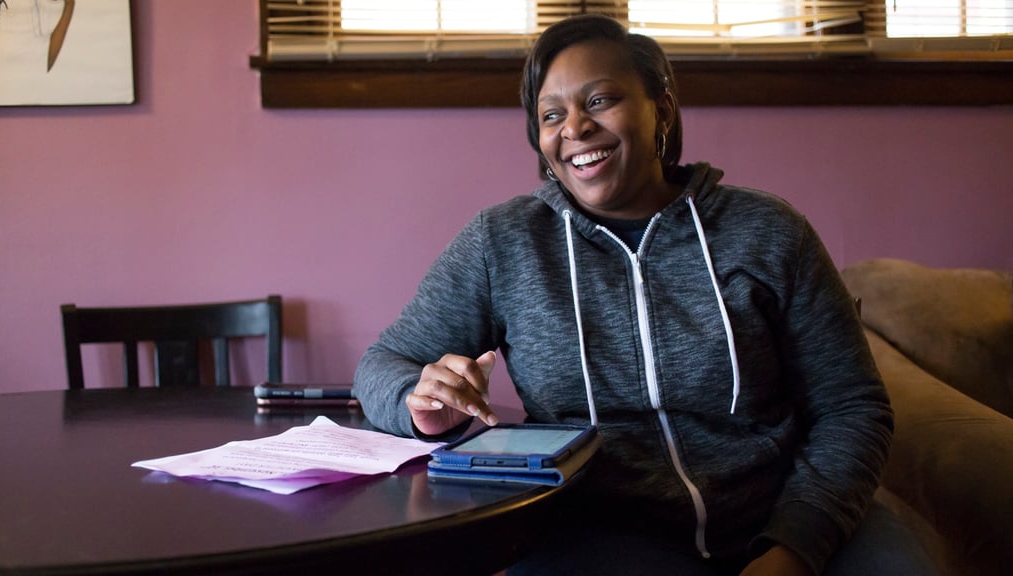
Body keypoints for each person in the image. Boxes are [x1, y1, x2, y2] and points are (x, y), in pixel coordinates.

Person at [354, 13, 936, 576]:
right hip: (601, 532)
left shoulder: (768, 231)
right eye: (551, 114)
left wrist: (796, 548)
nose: (574, 127)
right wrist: (421, 406)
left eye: (600, 100)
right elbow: (380, 366)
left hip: (790, 511)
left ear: (660, 106)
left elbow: (852, 407)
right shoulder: (503, 243)